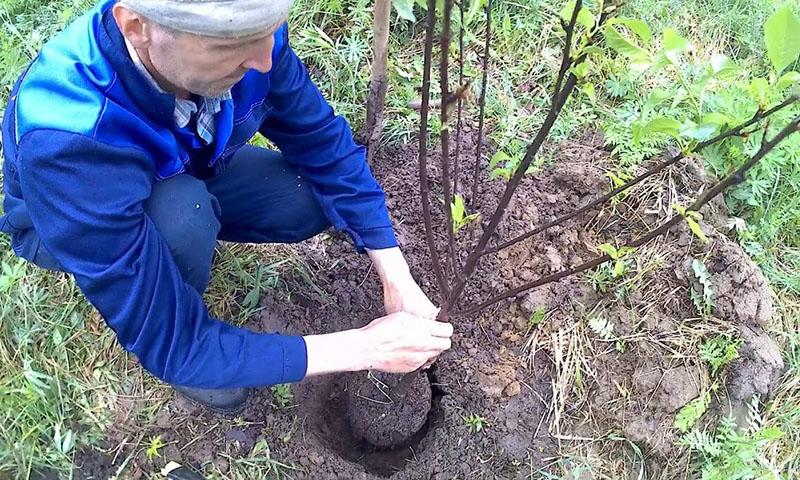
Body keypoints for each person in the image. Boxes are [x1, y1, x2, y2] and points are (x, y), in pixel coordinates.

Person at [0, 0, 453, 415]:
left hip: (187, 160)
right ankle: (178, 311)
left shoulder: (252, 43)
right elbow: (178, 346)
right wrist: (364, 348)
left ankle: (189, 214)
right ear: (136, 28)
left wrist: (396, 275)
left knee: (308, 196)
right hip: (71, 215)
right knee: (182, 217)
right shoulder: (68, 139)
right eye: (233, 46)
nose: (263, 61)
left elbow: (324, 147)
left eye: (267, 34)